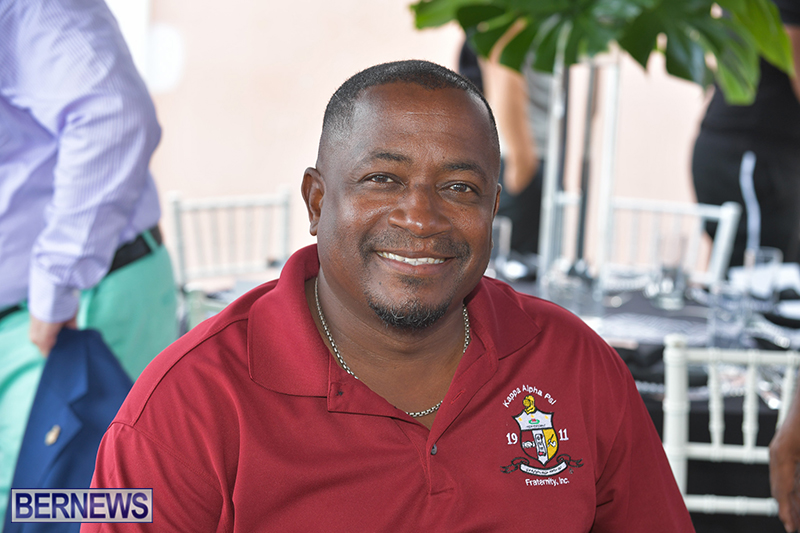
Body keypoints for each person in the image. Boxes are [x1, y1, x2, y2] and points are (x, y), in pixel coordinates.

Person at [86, 60, 693, 531]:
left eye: (459, 187)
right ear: (317, 202)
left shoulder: (572, 362)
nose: (422, 218)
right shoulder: (186, 407)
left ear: (492, 211)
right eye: (383, 179)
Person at [0, 0, 178, 523]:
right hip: (40, 315)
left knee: (76, 509)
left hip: (70, 310)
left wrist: (58, 282)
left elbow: (113, 114)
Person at [691, 0, 800, 267]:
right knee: (756, 288)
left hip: (757, 153)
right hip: (750, 157)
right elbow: (794, 64)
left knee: (749, 281)